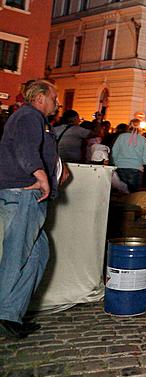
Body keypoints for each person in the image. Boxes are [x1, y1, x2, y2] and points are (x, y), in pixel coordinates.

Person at [0, 80, 68, 339]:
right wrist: (41, 176)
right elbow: (26, 148)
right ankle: (3, 312)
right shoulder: (30, 116)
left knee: (38, 254)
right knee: (17, 255)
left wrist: (58, 168)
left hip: (27, 196)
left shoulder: (33, 119)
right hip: (24, 194)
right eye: (54, 97)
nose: (57, 103)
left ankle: (9, 313)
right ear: (40, 97)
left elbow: (35, 148)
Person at [111, 119, 146, 192]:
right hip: (136, 169)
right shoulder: (143, 139)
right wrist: (140, 163)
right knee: (133, 195)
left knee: (119, 194)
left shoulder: (121, 137)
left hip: (120, 167)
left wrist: (116, 162)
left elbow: (114, 152)